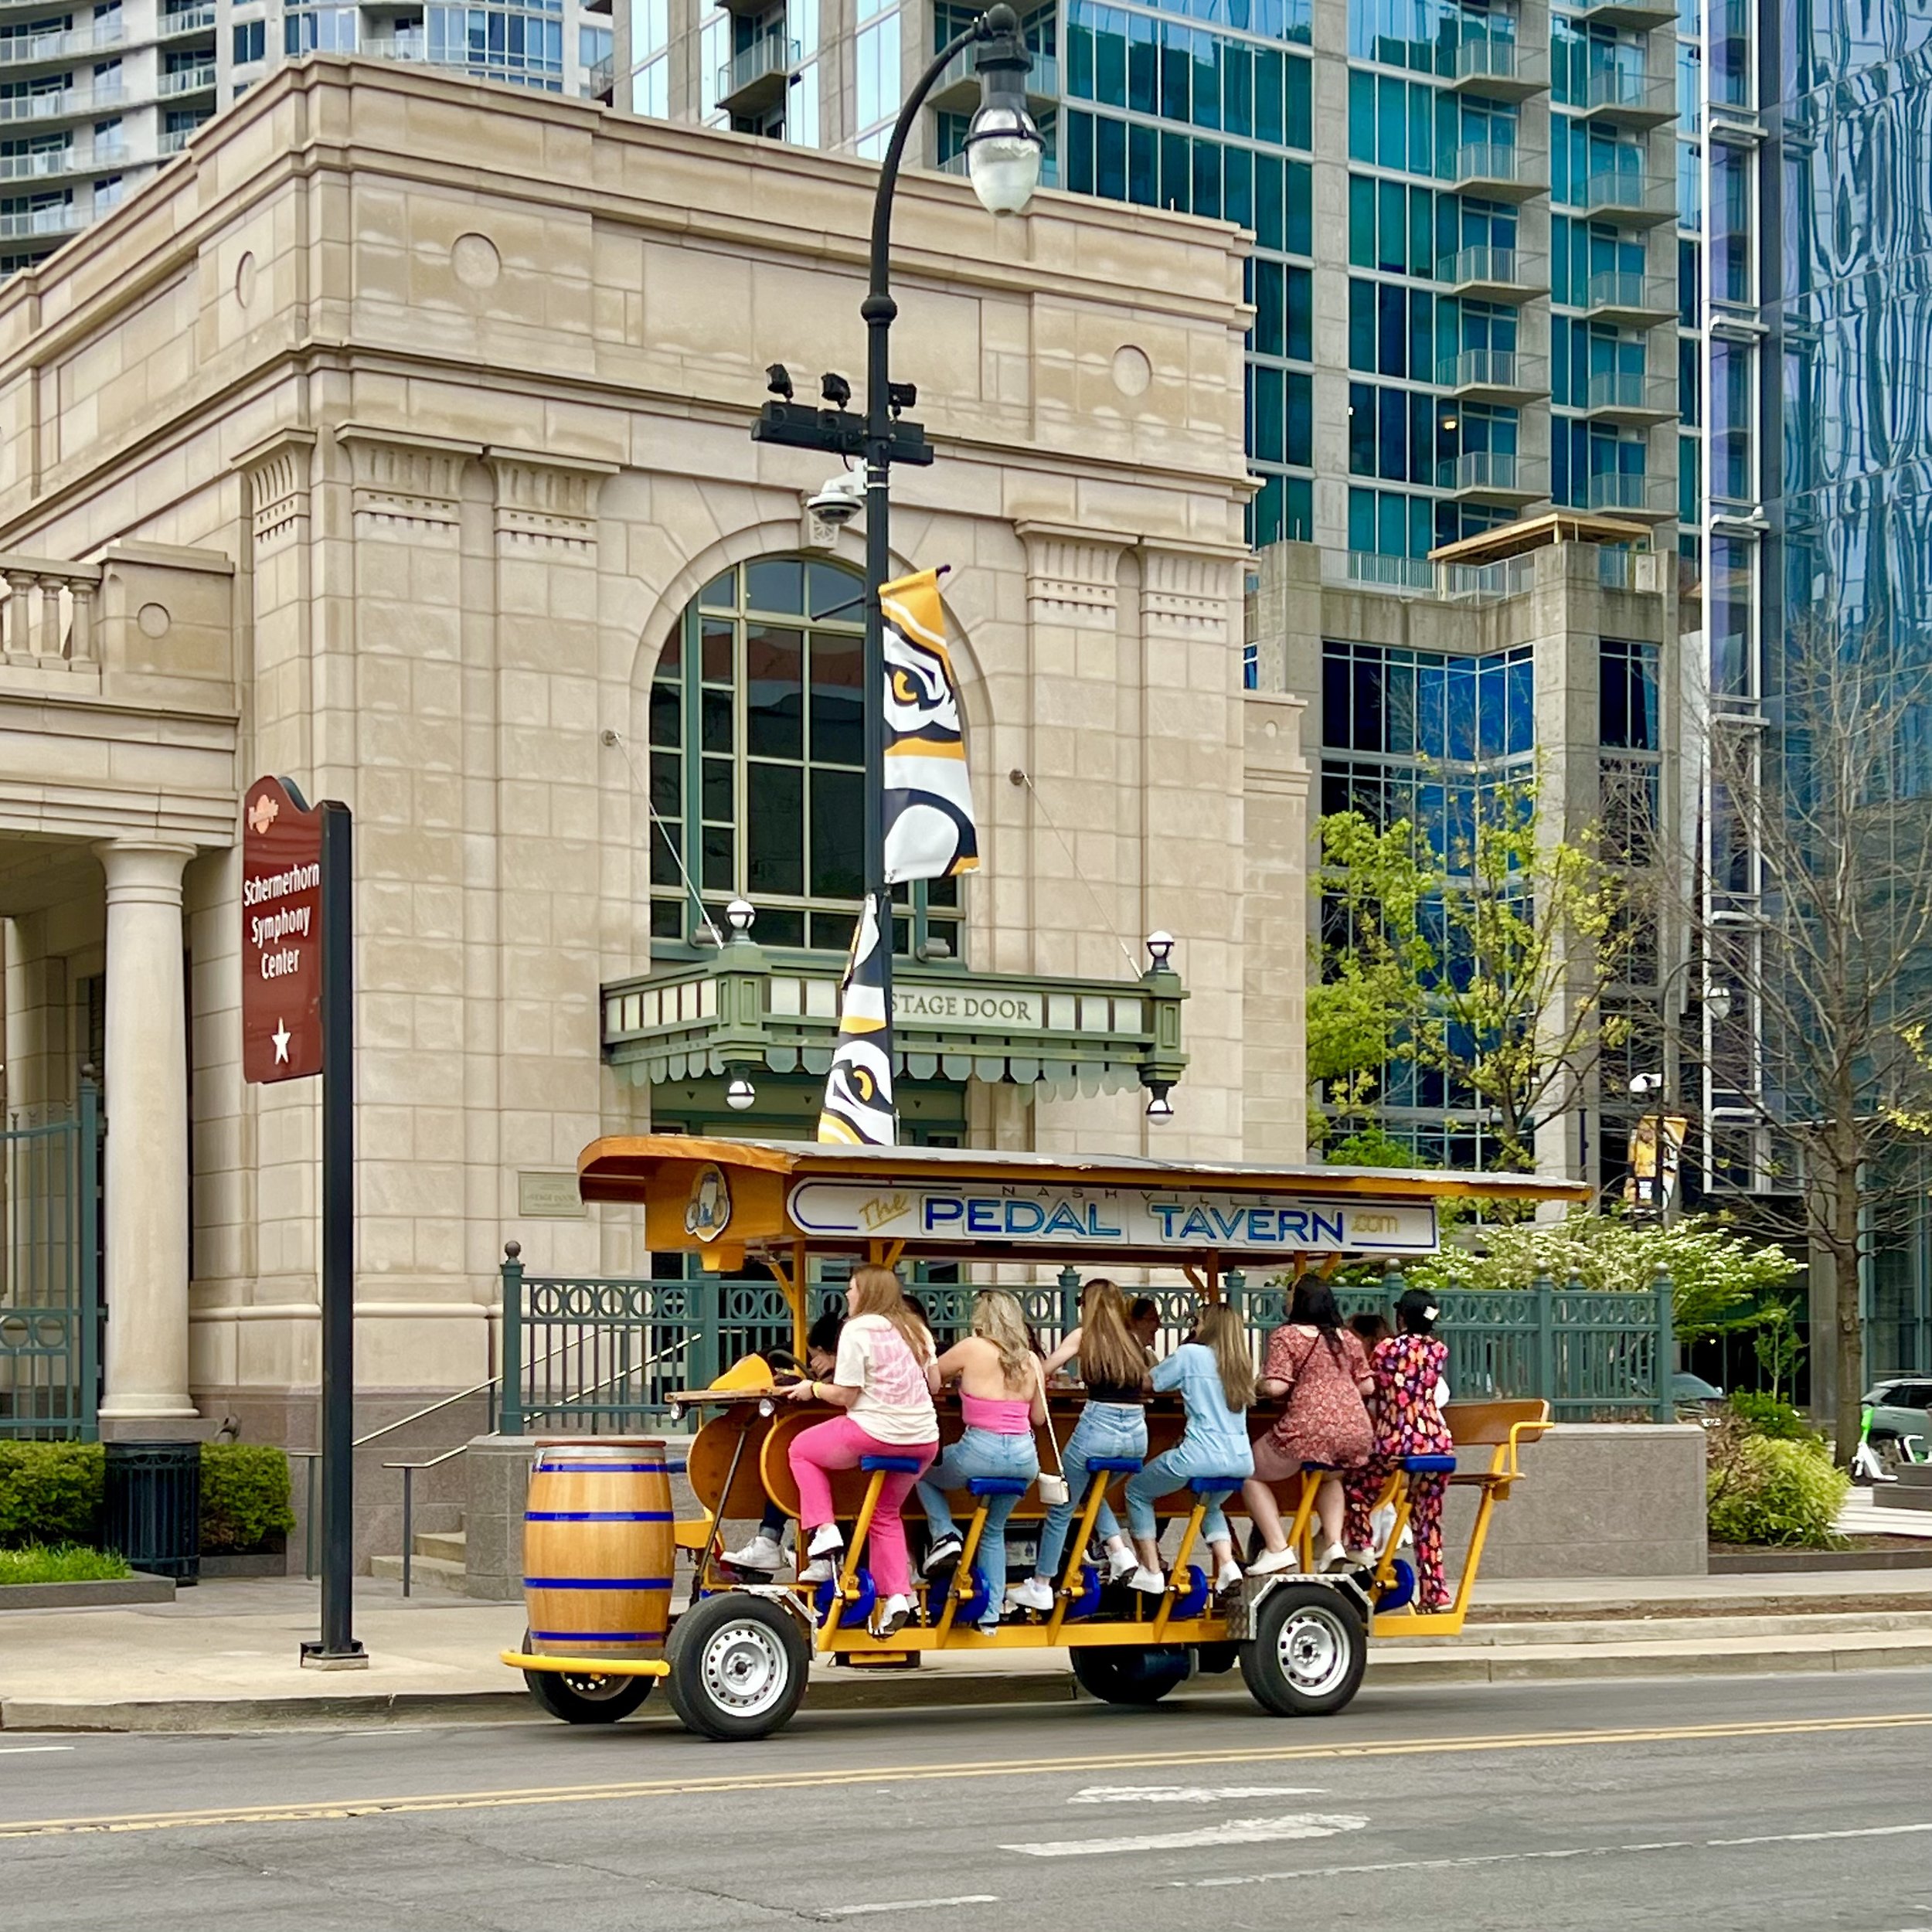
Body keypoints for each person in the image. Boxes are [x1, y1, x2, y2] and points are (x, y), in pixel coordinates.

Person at [783, 1267, 937, 1638]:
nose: (847, 1295)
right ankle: (899, 1595)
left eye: (850, 1288)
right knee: (885, 1513)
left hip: (874, 1431)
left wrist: (812, 1389)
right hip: (924, 1439)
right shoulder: (916, 1328)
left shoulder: (856, 1329)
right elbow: (933, 1382)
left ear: (866, 1293)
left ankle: (824, 1530)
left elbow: (846, 1395)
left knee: (800, 1450)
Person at [1006, 1279, 1149, 1611]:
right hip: (1137, 1433)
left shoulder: (1084, 1336)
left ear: (1087, 1304)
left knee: (1063, 1503)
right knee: (1090, 1492)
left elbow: (1043, 1370)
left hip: (1100, 1426)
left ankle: (1042, 1585)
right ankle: (1119, 1552)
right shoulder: (1131, 1340)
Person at [914, 1291, 1046, 1631]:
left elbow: (931, 1381)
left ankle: (946, 1535)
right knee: (993, 1531)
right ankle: (989, 1619)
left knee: (921, 1471)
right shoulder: (1030, 1360)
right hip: (1024, 1459)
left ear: (982, 1319)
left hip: (979, 1450)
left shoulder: (972, 1348)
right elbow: (1039, 1418)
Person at [1121, 1301, 1254, 1596]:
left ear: (1208, 1326)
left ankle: (1152, 1570)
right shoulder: (1238, 1363)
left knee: (1137, 1491)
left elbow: (1150, 1383)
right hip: (1241, 1459)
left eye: (1197, 1321)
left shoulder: (1190, 1354)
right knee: (1209, 1504)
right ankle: (1228, 1564)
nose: (1193, 1326)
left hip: (1201, 1454)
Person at [1243, 1279, 1374, 1576]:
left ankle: (1277, 1548)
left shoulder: (1287, 1336)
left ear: (1300, 1301)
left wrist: (1256, 1386)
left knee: (1247, 1470)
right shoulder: (1347, 1339)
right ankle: (1332, 1544)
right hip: (1355, 1429)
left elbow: (1277, 1387)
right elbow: (1367, 1386)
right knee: (1330, 1478)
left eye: (1290, 1293)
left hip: (1309, 1426)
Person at [1344, 1287, 1456, 1609]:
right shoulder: (1439, 1351)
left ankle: (1362, 1542)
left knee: (1356, 1485)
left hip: (1397, 1441)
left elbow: (1373, 1388)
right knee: (1429, 1518)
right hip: (1436, 1442)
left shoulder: (1386, 1349)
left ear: (1402, 1317)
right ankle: (1436, 1592)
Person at [723, 1310, 843, 1572]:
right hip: (855, 1437)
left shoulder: (859, 1355)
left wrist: (815, 1387)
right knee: (784, 1459)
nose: (812, 1365)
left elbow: (849, 1392)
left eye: (815, 1357)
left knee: (795, 1452)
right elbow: (783, 1351)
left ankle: (815, 1552)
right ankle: (785, 1542)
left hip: (864, 1436)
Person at [1128, 1298, 1162, 1363]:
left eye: (1157, 1320)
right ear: (1134, 1321)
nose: (1158, 1325)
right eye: (1152, 1318)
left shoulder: (1150, 1357)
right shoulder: (1124, 1354)